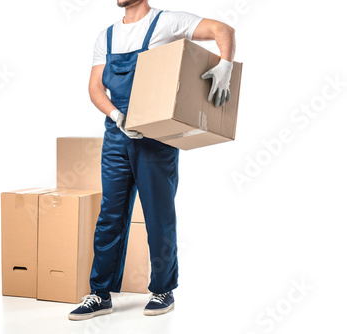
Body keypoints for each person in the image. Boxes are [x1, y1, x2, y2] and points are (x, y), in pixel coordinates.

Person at [68, 0, 236, 321]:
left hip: (156, 135)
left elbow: (222, 30)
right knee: (110, 216)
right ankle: (99, 294)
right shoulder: (106, 37)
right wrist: (116, 115)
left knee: (158, 215)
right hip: (117, 134)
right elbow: (95, 87)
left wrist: (225, 64)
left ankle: (162, 289)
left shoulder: (167, 23)